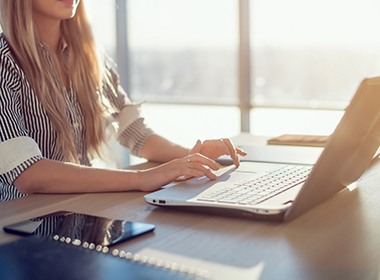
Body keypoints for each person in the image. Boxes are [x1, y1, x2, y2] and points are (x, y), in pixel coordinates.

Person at [0, 0, 246, 202]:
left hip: (82, 209)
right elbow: (28, 173)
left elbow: (134, 133)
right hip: (22, 222)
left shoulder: (88, 56)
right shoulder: (4, 62)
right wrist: (142, 179)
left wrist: (192, 158)